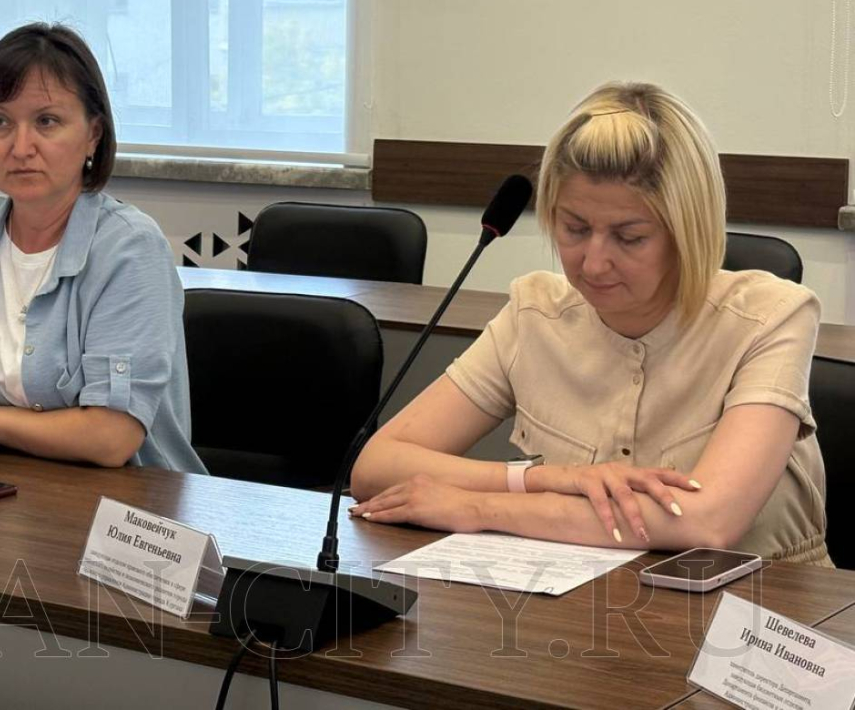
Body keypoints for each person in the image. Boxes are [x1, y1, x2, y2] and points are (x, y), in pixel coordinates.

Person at [350, 82, 829, 565]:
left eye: (630, 237)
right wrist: (544, 479)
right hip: (583, 597)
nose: (593, 264)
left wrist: (478, 506)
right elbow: (375, 467)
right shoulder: (534, 314)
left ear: (688, 230)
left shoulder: (772, 317)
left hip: (763, 600)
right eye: (575, 229)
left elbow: (707, 521)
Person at [0, 23, 203, 475]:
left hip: (125, 504)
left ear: (93, 134)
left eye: (47, 121)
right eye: (0, 122)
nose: (20, 147)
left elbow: (111, 438)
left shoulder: (130, 249)